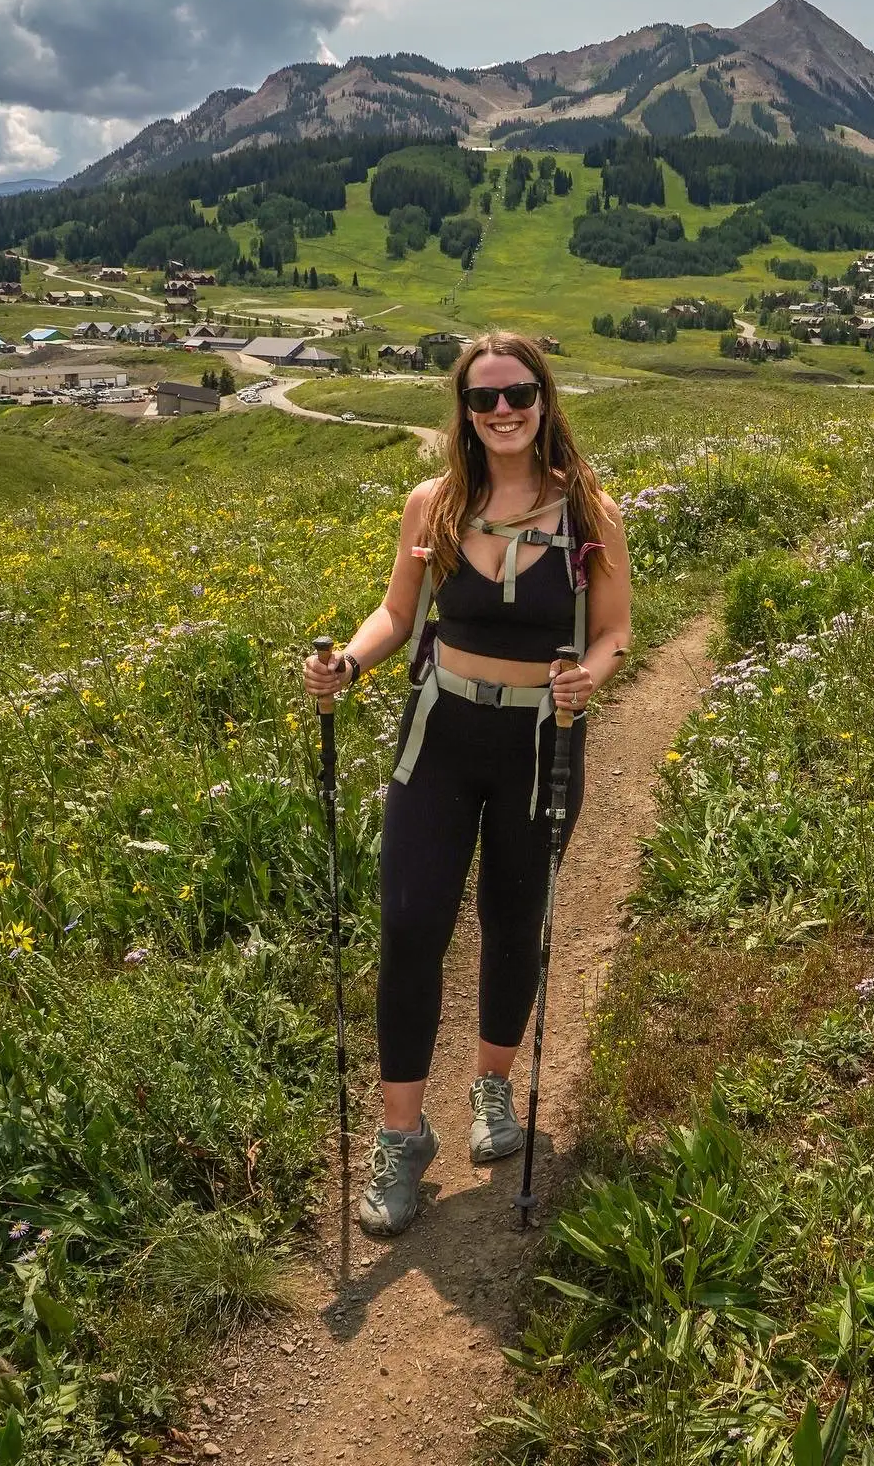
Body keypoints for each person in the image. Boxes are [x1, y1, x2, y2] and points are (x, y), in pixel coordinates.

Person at [302, 332, 632, 1236]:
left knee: (513, 919)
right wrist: (353, 665)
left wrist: (590, 679)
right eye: (484, 399)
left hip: (540, 739)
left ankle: (493, 1089)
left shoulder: (589, 513)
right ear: (464, 412)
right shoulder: (434, 506)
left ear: (544, 398)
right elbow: (395, 614)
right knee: (410, 924)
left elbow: (613, 630)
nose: (503, 412)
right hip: (439, 735)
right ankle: (402, 1138)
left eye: (518, 394)